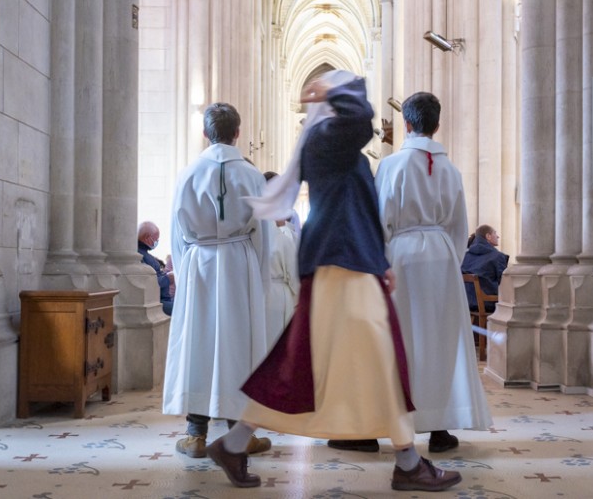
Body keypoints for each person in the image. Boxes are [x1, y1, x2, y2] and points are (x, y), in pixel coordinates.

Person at [205, 70, 461, 492]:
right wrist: (339, 88)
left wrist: (381, 261)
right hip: (339, 264)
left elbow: (359, 209)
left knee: (309, 362)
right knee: (379, 357)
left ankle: (233, 444)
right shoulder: (328, 140)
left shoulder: (331, 144)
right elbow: (362, 120)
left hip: (350, 262)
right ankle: (408, 462)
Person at [374, 91, 493, 454]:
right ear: (437, 125)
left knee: (404, 341)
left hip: (403, 257)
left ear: (406, 124)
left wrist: (382, 261)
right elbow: (460, 228)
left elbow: (381, 219)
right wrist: (447, 259)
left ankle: (401, 422)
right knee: (443, 343)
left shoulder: (392, 166)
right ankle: (440, 428)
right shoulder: (451, 170)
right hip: (441, 258)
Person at [162, 102, 273, 460]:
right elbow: (263, 232)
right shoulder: (252, 174)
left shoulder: (189, 172)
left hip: (200, 263)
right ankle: (238, 434)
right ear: (237, 132)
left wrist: (184, 270)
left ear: (205, 133)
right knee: (237, 347)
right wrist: (259, 278)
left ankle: (195, 434)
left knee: (200, 343)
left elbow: (178, 231)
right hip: (240, 262)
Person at [262, 171, 300, 343]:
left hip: (260, 295)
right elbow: (292, 269)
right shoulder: (281, 232)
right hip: (280, 296)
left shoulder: (255, 227)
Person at [462, 224, 509, 313]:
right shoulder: (498, 256)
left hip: (465, 302)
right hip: (487, 303)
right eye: (495, 233)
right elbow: (503, 283)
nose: (498, 236)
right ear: (488, 236)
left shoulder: (465, 256)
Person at [137, 221, 174, 316]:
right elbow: (146, 282)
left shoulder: (144, 254)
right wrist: (168, 278)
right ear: (147, 238)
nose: (157, 241)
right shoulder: (138, 256)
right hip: (157, 301)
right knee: (187, 308)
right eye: (156, 238)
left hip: (163, 299)